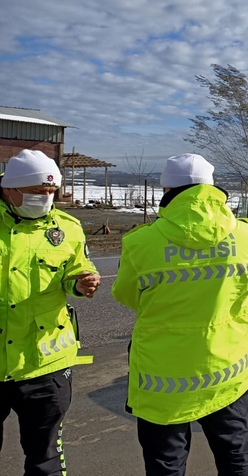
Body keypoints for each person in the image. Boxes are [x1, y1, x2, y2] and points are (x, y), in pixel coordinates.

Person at [111, 153, 248, 476]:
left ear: (167, 191)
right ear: (211, 188)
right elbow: (247, 284)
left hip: (163, 384)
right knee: (235, 458)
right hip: (227, 375)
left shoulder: (141, 244)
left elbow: (126, 295)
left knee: (167, 466)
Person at [0, 149, 100, 476]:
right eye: (36, 193)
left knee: (45, 460)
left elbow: (74, 272)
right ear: (9, 189)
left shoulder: (67, 228)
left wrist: (80, 284)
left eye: (50, 192)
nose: (45, 199)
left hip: (45, 364)